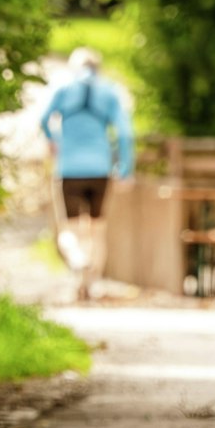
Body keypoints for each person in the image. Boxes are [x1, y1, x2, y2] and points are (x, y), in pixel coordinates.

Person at [39, 47, 135, 300]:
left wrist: (53, 140)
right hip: (100, 170)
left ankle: (77, 260)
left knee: (69, 230)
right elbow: (124, 134)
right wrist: (125, 168)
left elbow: (44, 119)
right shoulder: (109, 93)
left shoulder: (63, 90)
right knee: (96, 230)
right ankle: (90, 285)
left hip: (69, 169)